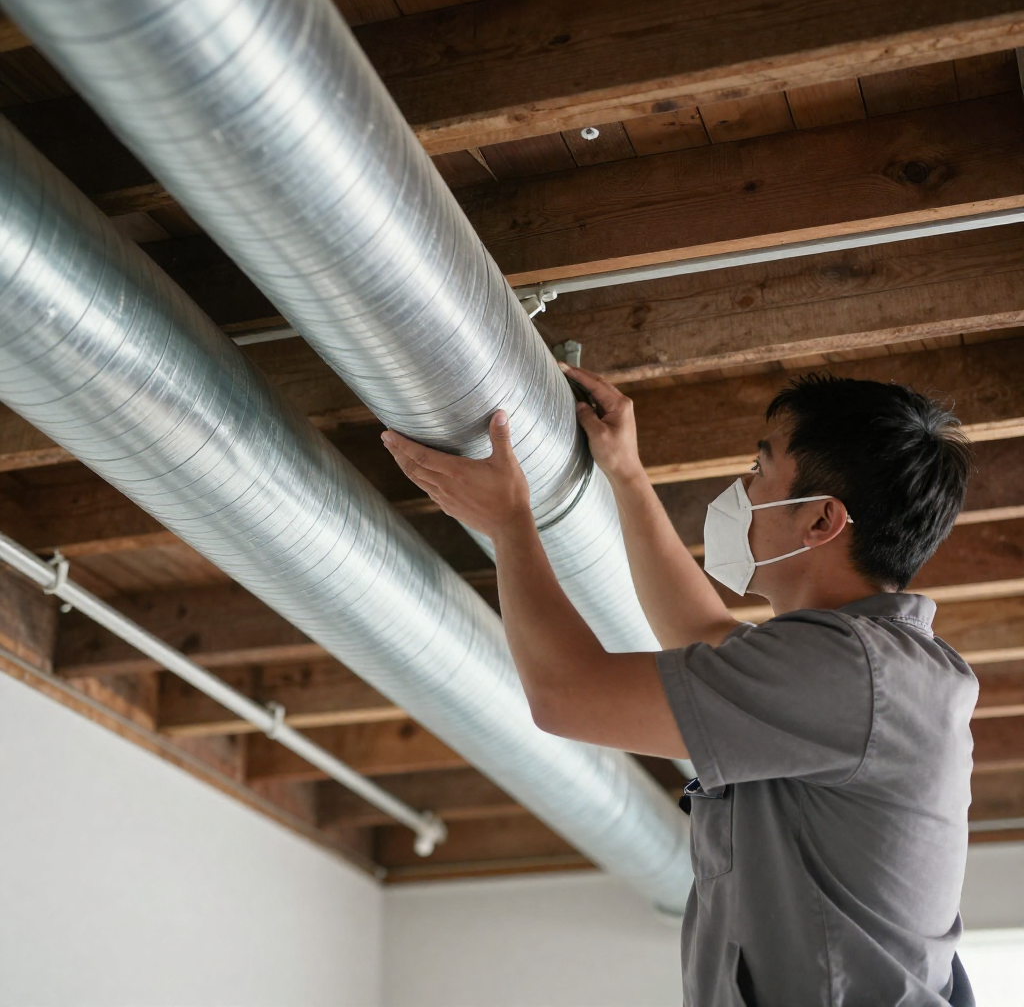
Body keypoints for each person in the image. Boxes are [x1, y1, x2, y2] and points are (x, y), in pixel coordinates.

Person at [381, 368, 977, 1007]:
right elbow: (702, 632)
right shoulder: (870, 666)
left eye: (759, 469)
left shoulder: (855, 673)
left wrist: (509, 523)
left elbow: (566, 695)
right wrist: (625, 475)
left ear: (822, 519)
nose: (743, 489)